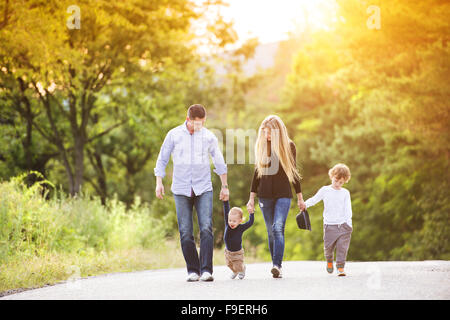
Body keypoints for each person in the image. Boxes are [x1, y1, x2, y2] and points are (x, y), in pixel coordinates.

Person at [154, 104, 229, 282]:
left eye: (202, 123)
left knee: (206, 228)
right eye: (196, 123)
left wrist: (225, 185)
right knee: (186, 231)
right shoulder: (174, 135)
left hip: (203, 187)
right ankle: (192, 270)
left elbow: (219, 160)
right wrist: (159, 182)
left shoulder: (209, 137)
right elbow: (162, 158)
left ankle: (206, 270)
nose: (199, 127)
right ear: (188, 119)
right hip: (180, 189)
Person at [246, 115, 306, 278]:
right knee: (271, 232)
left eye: (270, 132)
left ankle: (276, 265)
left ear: (278, 131)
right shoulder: (261, 146)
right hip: (264, 196)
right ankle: (276, 264)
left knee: (277, 227)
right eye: (264, 132)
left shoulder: (289, 146)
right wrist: (251, 198)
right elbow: (256, 174)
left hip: (283, 194)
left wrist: (300, 198)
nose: (267, 136)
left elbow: (294, 174)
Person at [304, 163, 353, 276]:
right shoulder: (325, 190)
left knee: (342, 248)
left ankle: (340, 267)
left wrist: (348, 224)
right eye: (336, 180)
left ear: (344, 181)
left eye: (341, 182)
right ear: (332, 176)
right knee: (328, 248)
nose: (337, 184)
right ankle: (329, 261)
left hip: (343, 226)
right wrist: (305, 204)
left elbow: (348, 209)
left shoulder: (345, 193)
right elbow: (314, 199)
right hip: (329, 225)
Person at [222, 200, 254, 280]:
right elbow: (226, 209)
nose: (231, 223)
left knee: (238, 265)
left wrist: (251, 213)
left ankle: (242, 269)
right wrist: (225, 202)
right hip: (228, 252)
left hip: (237, 253)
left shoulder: (241, 227)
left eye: (234, 221)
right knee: (229, 264)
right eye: (230, 220)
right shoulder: (228, 225)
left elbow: (250, 222)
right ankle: (235, 271)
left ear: (240, 221)